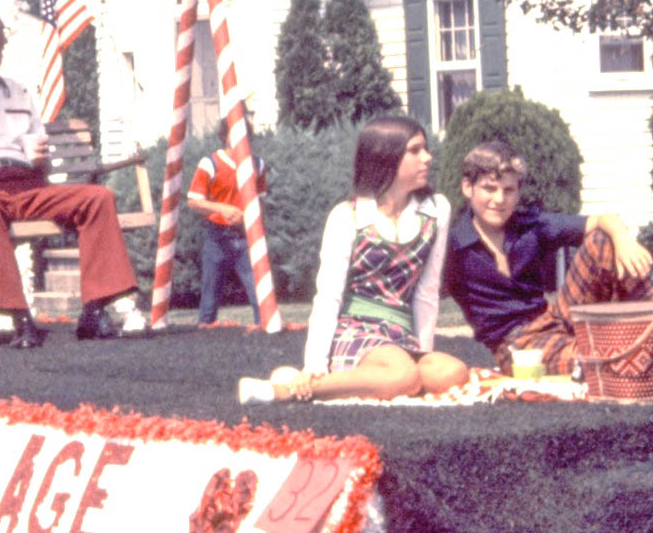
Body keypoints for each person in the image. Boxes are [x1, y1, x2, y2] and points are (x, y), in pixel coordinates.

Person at [0, 0, 148, 348]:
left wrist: (40, 158)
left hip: (25, 183)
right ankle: (20, 318)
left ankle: (95, 311)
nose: (3, 43)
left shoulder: (18, 91)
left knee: (98, 197)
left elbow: (41, 158)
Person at [239, 115, 469, 403]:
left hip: (401, 334)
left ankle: (323, 383)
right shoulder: (348, 216)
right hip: (354, 330)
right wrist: (315, 366)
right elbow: (328, 296)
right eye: (415, 150)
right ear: (386, 157)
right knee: (403, 376)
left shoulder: (436, 210)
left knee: (452, 373)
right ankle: (286, 390)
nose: (428, 157)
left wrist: (422, 355)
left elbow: (427, 291)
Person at [444, 140, 653, 376]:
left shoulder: (530, 226)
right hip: (516, 345)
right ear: (467, 187)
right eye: (489, 188)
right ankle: (624, 350)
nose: (499, 199)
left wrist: (623, 240)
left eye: (508, 190)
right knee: (603, 361)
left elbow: (603, 220)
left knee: (603, 240)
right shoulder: (452, 247)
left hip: (555, 317)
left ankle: (644, 329)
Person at [186, 110, 266, 326]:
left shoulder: (257, 164)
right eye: (235, 131)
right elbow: (193, 201)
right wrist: (221, 208)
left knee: (260, 294)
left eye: (245, 132)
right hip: (217, 236)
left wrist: (250, 216)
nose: (240, 137)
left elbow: (261, 201)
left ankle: (265, 339)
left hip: (246, 237)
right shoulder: (210, 163)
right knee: (210, 297)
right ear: (225, 135)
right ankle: (203, 342)